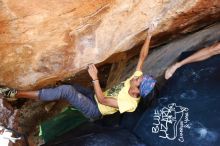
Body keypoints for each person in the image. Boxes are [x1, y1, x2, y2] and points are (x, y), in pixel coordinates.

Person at [0, 29, 156, 119]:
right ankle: (50, 97)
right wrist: (149, 36)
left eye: (138, 80)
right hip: (94, 97)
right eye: (139, 76)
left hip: (96, 109)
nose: (137, 76)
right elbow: (142, 57)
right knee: (67, 85)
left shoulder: (130, 104)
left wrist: (94, 78)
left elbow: (102, 100)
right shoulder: (136, 81)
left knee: (67, 91)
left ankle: (14, 94)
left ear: (137, 91)